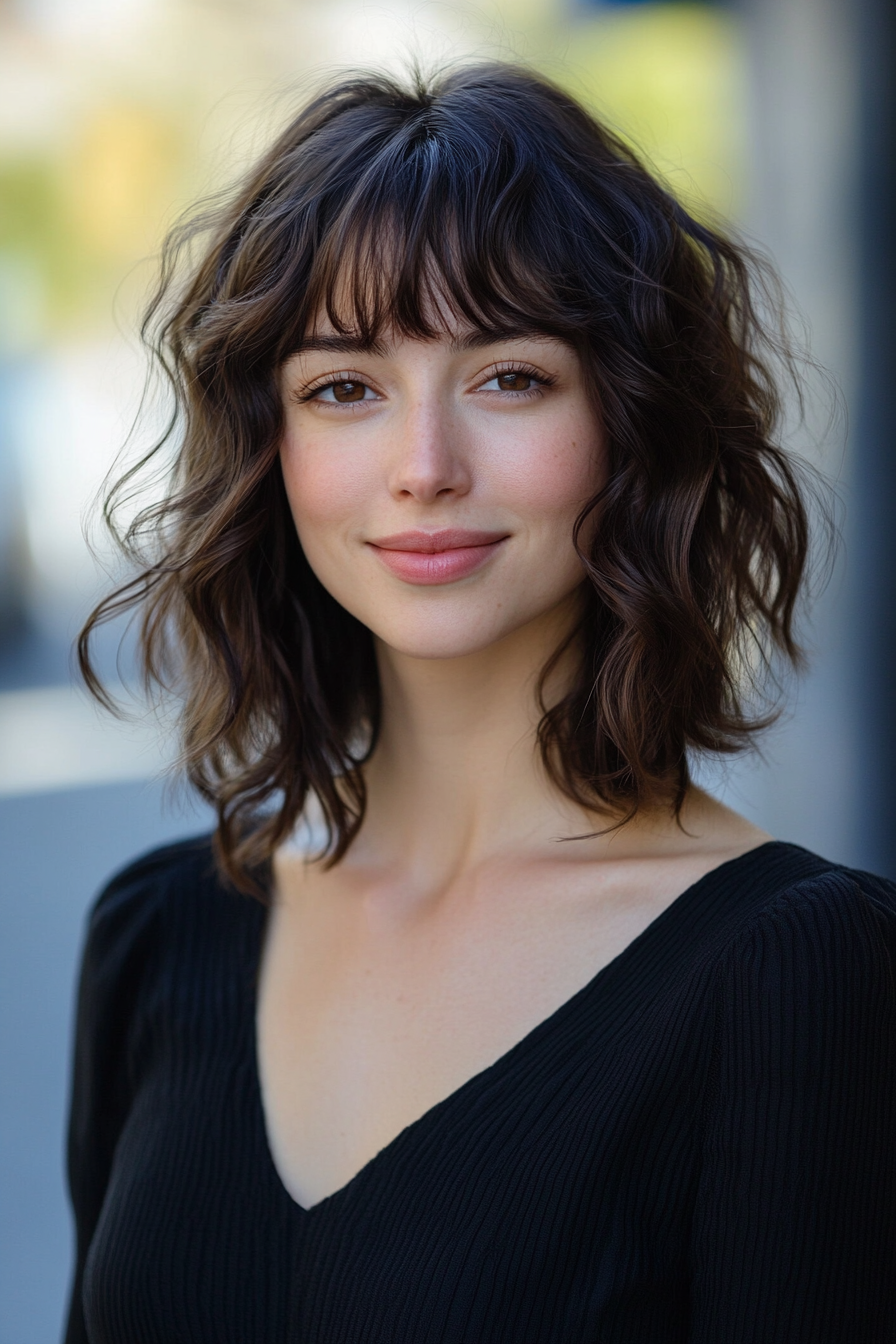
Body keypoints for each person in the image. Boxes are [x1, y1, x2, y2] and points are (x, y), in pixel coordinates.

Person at [65, 63, 896, 1343]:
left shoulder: (800, 972)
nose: (423, 468)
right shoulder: (160, 934)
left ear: (630, 424)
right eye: (343, 386)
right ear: (269, 450)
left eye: (508, 376)